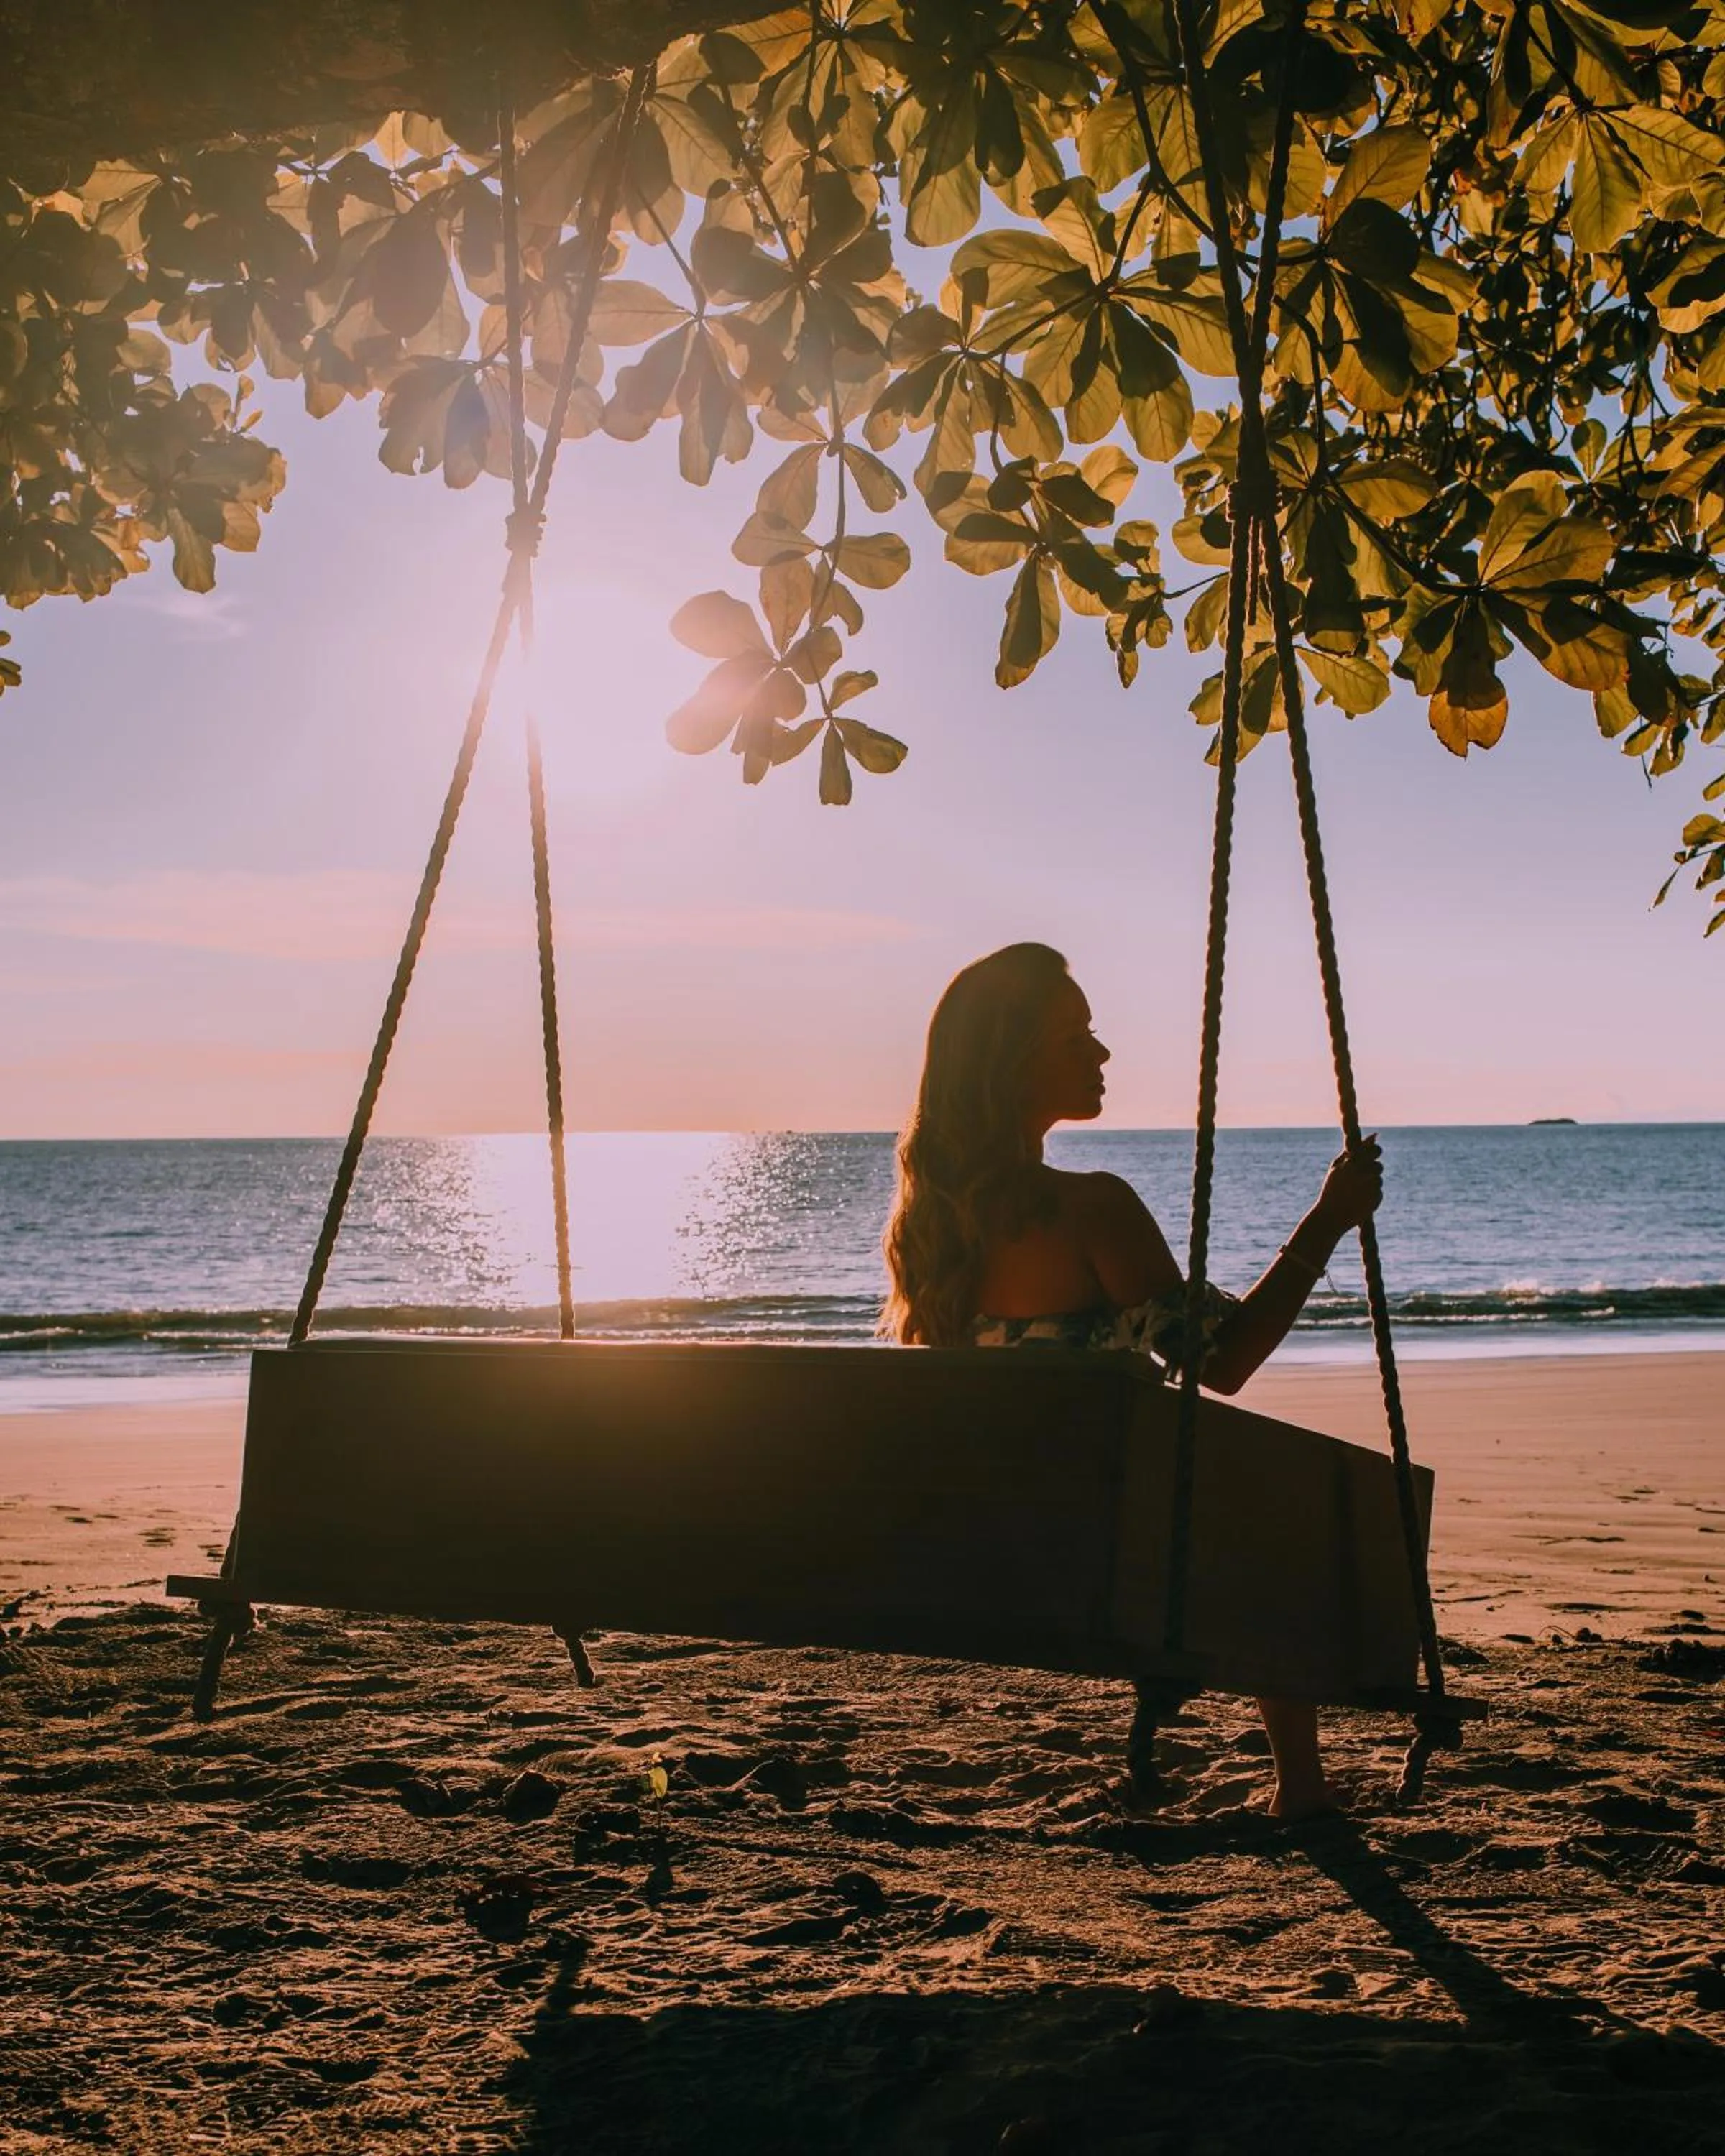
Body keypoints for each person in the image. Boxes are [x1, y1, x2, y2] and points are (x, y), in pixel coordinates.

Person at [881, 942, 1384, 1820]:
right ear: (1011, 1063)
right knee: (1291, 1517)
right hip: (1105, 1551)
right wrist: (1326, 1222)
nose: (1101, 1054)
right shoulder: (1090, 1210)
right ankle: (1303, 1787)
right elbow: (1223, 1364)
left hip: (997, 1546)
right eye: (1074, 1037)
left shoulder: (924, 1233)